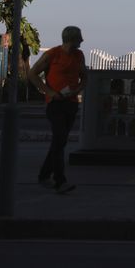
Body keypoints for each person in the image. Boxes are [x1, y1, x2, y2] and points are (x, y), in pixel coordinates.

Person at [28, 26, 87, 194]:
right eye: (79, 38)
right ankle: (60, 181)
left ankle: (44, 175)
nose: (82, 41)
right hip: (55, 104)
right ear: (71, 39)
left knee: (59, 142)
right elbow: (33, 74)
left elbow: (85, 77)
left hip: (71, 103)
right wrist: (50, 92)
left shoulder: (78, 56)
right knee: (59, 139)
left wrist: (78, 90)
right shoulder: (52, 54)